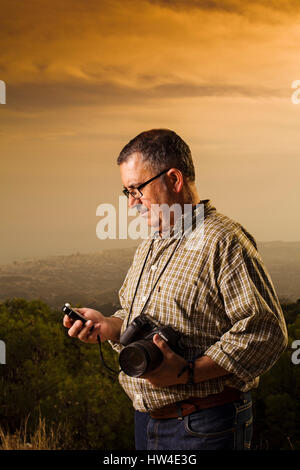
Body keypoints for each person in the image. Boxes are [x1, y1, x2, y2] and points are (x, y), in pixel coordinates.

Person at [63, 129, 288, 450]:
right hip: (147, 422)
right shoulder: (151, 244)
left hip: (205, 426)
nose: (132, 204)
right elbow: (135, 317)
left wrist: (188, 372)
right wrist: (107, 326)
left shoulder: (223, 241)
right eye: (126, 192)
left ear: (174, 179)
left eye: (137, 190)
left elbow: (265, 333)